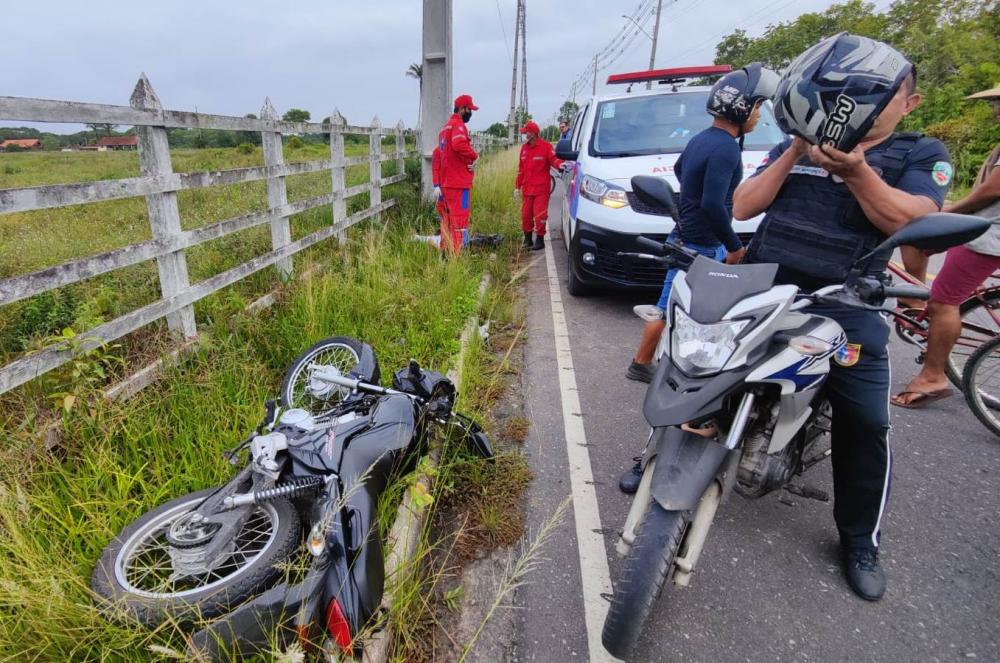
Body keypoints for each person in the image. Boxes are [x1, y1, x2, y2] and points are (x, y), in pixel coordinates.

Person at [733, 34, 952, 602]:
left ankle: (859, 540)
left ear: (908, 103)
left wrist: (856, 172)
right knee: (696, 364)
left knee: (866, 423)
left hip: (847, 304)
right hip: (767, 287)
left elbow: (912, 223)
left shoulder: (919, 154)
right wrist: (794, 150)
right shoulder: (799, 141)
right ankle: (662, 463)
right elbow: (744, 205)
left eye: (885, 97)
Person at [624, 63, 779, 385]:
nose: (758, 115)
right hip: (701, 243)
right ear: (741, 108)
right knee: (679, 308)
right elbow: (712, 203)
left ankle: (668, 363)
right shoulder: (726, 149)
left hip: (688, 233)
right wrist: (734, 246)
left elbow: (680, 170)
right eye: (757, 107)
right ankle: (646, 364)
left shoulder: (701, 139)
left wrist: (692, 200)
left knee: (683, 305)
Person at [891, 84, 1000, 408]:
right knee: (919, 241)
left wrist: (949, 212)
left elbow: (992, 190)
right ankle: (914, 300)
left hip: (989, 234)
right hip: (983, 228)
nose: (996, 110)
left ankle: (932, 376)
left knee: (943, 301)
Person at [437, 94, 480, 256]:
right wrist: (475, 156)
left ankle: (445, 254)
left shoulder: (444, 129)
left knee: (447, 221)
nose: (471, 113)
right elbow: (459, 144)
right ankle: (458, 257)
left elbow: (440, 153)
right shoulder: (458, 126)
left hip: (447, 184)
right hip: (459, 184)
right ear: (462, 109)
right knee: (460, 222)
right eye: (469, 110)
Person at [514, 120, 568, 250]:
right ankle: (528, 240)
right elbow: (521, 169)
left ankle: (540, 239)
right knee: (526, 216)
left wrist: (560, 164)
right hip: (527, 189)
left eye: (526, 132)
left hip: (541, 189)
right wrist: (517, 187)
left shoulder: (546, 147)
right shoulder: (524, 148)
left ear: (532, 134)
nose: (524, 135)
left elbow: (554, 159)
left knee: (540, 215)